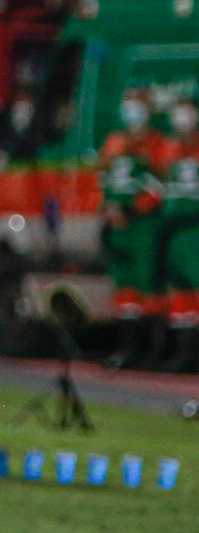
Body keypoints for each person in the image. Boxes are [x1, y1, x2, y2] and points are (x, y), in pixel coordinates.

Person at [99, 89, 169, 369]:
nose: (131, 112)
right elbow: (103, 178)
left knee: (148, 283)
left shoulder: (156, 143)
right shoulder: (114, 141)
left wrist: (132, 207)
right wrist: (108, 207)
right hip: (119, 226)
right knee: (124, 285)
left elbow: (161, 185)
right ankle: (126, 348)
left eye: (137, 106)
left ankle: (153, 350)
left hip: (144, 225)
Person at [148, 102, 199, 372]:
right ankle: (182, 351)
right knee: (179, 291)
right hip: (173, 230)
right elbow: (156, 184)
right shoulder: (167, 148)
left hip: (195, 228)